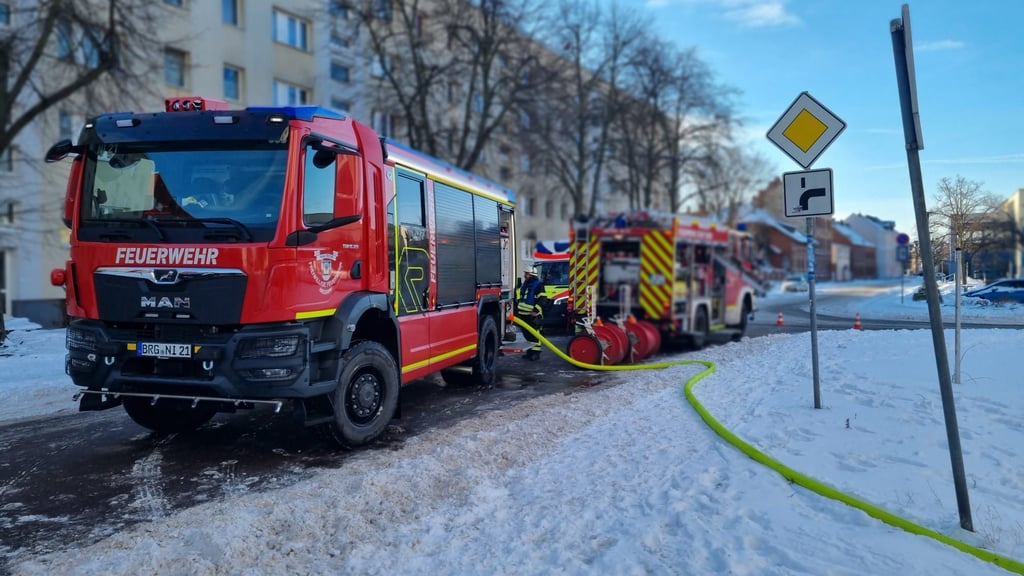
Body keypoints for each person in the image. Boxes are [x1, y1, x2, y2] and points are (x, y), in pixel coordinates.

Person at [517, 265, 546, 360]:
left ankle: (536, 353)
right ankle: (529, 352)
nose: (525, 275)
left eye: (527, 274)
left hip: (532, 315)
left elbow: (543, 299)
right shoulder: (525, 284)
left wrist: (535, 311)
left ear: (532, 275)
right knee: (527, 335)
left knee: (535, 334)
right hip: (523, 314)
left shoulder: (538, 285)